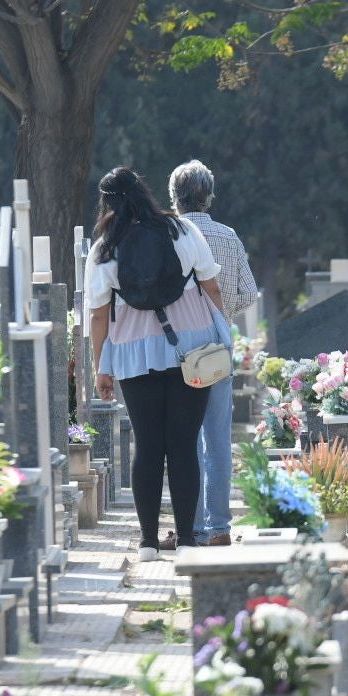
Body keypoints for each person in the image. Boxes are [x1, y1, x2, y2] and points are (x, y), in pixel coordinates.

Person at [86, 167, 228, 561]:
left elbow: (99, 314)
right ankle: (186, 539)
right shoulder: (181, 231)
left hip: (134, 352)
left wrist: (102, 366)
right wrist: (222, 333)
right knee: (183, 445)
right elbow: (211, 283)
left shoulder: (105, 248)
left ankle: (148, 542)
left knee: (147, 446)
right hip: (192, 349)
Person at [168, 158, 257, 548]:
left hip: (177, 347)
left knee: (182, 439)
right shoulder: (228, 235)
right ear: (209, 197)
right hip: (219, 345)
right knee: (217, 437)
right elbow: (249, 293)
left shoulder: (169, 236)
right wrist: (223, 313)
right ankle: (220, 527)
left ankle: (192, 527)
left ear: (174, 198)